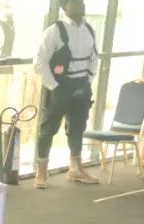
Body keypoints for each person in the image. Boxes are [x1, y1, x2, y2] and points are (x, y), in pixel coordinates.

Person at [32, 0, 100, 189]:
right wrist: (54, 86)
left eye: (82, 2)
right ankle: (41, 172)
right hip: (59, 86)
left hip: (82, 86)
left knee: (77, 127)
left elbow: (94, 58)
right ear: (64, 6)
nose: (81, 5)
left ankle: (75, 169)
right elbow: (39, 62)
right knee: (48, 128)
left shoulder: (89, 30)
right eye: (75, 2)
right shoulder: (54, 31)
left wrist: (88, 80)